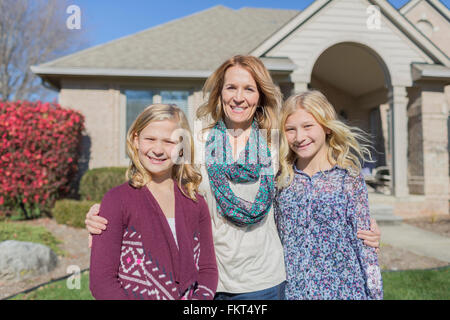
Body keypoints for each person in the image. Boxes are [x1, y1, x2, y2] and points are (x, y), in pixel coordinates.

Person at [86, 55, 381, 300]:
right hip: (209, 281)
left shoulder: (275, 144)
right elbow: (154, 183)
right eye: (231, 88)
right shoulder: (194, 144)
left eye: (249, 89)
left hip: (266, 279)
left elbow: (312, 177)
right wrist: (104, 217)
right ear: (220, 93)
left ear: (260, 95)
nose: (239, 97)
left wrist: (361, 219)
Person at [89, 104, 218, 300]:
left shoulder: (195, 202)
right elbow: (102, 281)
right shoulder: (117, 200)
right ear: (136, 140)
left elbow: (207, 269)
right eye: (150, 139)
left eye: (169, 142)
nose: (158, 149)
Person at [275, 90, 383, 300]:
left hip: (346, 291)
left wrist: (375, 294)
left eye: (308, 126)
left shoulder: (348, 179)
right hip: (295, 293)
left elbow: (366, 248)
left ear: (326, 126)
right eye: (290, 129)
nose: (299, 137)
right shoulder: (280, 181)